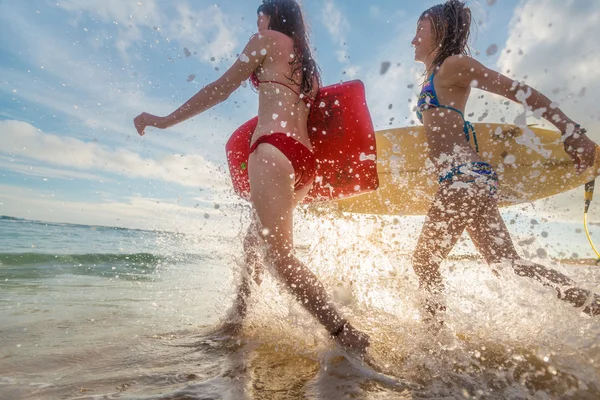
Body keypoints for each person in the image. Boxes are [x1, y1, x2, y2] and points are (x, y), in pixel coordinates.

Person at [133, 0, 369, 353]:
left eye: (261, 12)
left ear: (273, 14)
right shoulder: (307, 64)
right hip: (303, 162)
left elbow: (220, 88)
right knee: (253, 243)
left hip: (272, 150)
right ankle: (237, 319)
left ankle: (345, 334)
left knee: (280, 258)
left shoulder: (267, 39)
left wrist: (164, 120)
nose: (257, 20)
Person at [409, 0, 599, 324]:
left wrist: (571, 130)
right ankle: (594, 304)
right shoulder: (434, 74)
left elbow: (518, 91)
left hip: (463, 178)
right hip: (470, 177)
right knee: (508, 265)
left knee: (424, 262)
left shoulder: (452, 65)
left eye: (419, 31)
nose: (413, 40)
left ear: (439, 32)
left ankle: (434, 346)